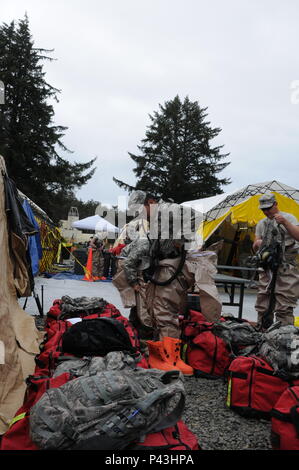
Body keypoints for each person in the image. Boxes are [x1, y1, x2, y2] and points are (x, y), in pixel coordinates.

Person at [113, 190, 221, 375]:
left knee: (164, 312)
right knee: (160, 312)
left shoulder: (165, 209)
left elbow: (195, 217)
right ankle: (168, 357)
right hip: (162, 267)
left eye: (141, 209)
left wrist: (181, 239)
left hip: (170, 267)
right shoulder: (156, 217)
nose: (140, 214)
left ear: (151, 202)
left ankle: (168, 359)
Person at [253, 193, 299, 328]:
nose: (266, 212)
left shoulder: (289, 217)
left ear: (275, 204)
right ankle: (262, 331)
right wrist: (259, 243)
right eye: (263, 210)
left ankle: (283, 334)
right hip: (267, 265)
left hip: (286, 265)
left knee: (285, 302)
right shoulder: (262, 223)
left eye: (268, 208)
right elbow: (255, 244)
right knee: (263, 301)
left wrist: (285, 222)